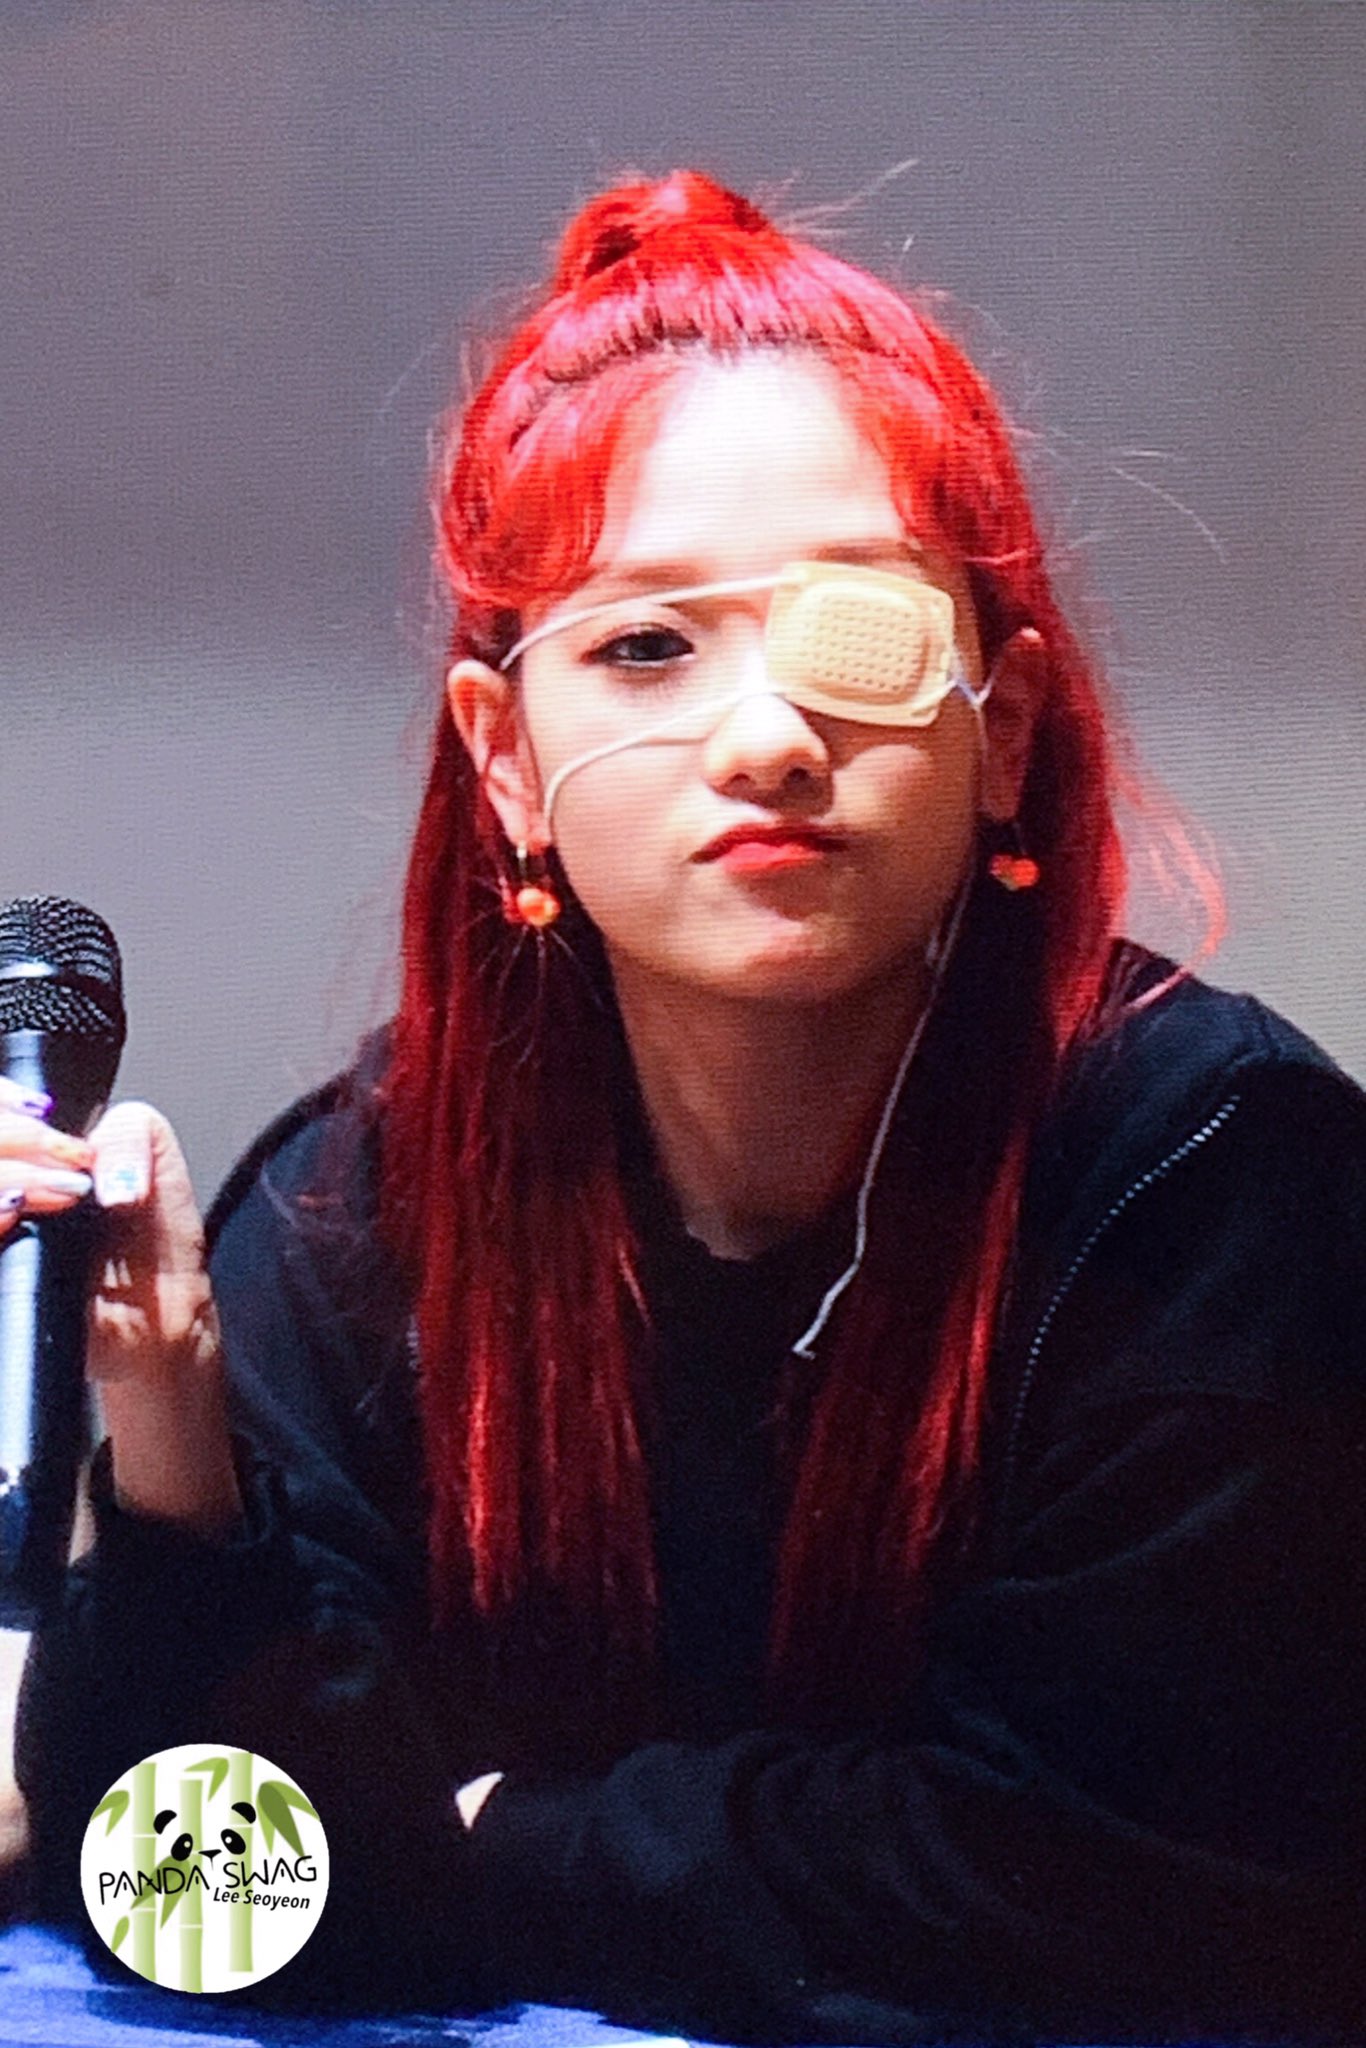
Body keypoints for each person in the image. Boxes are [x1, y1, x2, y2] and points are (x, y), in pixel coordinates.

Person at [5, 168, 1365, 2044]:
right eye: (647, 645)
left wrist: (473, 1846)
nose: (767, 739)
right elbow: (181, 1882)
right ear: (505, 761)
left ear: (1003, 730)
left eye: (857, 639)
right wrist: (169, 1433)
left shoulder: (1221, 1180)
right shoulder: (358, 1208)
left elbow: (1126, 1890)